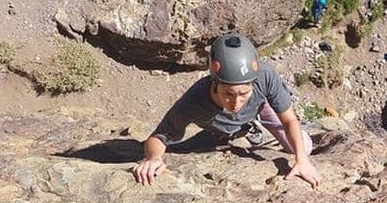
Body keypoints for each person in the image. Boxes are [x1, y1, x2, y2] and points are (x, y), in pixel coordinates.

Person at [132, 33, 321, 188]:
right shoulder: (195, 100)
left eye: (243, 93)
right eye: (228, 94)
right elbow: (158, 137)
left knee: (304, 147)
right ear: (215, 83)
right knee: (208, 140)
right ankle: (236, 130)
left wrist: (301, 159)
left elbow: (289, 120)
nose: (236, 102)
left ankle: (251, 124)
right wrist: (154, 158)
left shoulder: (264, 75)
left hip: (261, 107)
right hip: (220, 128)